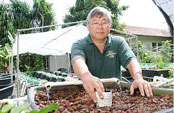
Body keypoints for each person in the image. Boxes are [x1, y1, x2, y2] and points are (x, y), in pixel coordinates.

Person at [71, 6, 155, 103]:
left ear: (110, 26)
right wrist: (86, 76)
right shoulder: (79, 45)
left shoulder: (118, 42)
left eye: (104, 22)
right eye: (95, 23)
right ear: (88, 26)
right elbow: (77, 60)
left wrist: (138, 78)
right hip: (88, 95)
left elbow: (131, 60)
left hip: (115, 96)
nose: (100, 27)